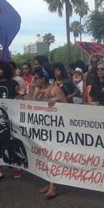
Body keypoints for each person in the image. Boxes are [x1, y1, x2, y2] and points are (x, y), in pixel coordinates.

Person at [27, 66, 67, 199]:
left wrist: (57, 100)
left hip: (53, 129)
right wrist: (22, 95)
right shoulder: (37, 89)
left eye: (36, 78)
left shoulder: (54, 89)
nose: (34, 80)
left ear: (43, 78)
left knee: (52, 156)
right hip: (40, 128)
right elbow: (31, 103)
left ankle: (52, 186)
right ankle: (48, 182)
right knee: (44, 156)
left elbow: (67, 105)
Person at [0, 60, 22, 184]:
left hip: (13, 119)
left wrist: (20, 95)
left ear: (5, 70)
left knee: (14, 141)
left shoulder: (13, 83)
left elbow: (21, 96)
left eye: (0, 68)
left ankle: (17, 167)